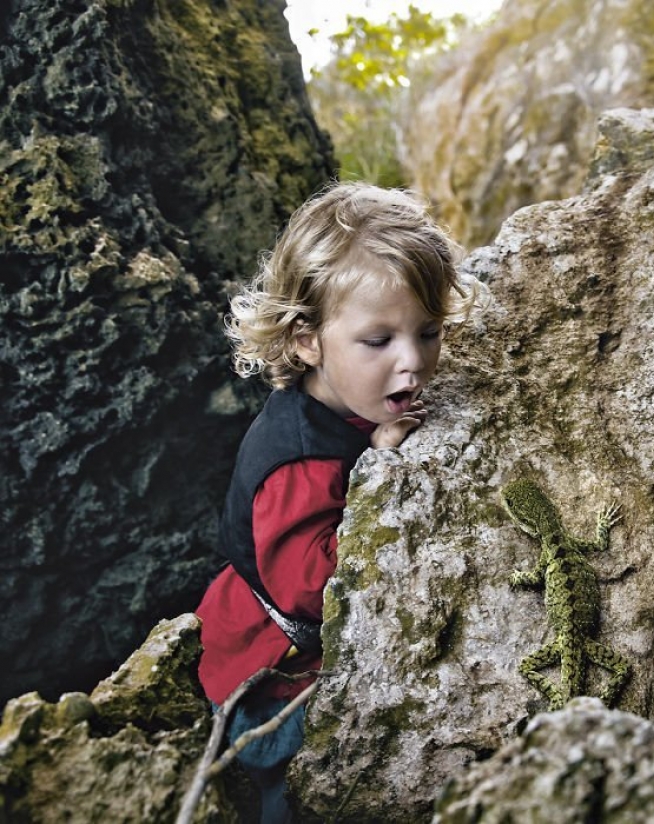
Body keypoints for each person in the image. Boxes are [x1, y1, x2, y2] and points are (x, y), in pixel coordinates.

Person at [195, 181, 478, 822]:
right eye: (378, 342)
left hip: (270, 628)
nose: (414, 362)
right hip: (268, 672)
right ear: (306, 340)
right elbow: (309, 587)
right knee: (293, 790)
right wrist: (382, 473)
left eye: (428, 332)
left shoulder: (342, 402)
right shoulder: (297, 463)